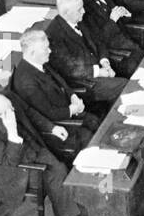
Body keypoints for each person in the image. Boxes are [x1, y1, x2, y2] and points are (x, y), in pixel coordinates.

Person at [0, 92, 88, 216]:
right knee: (58, 174)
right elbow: (9, 162)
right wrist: (12, 133)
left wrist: (52, 127)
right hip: (17, 168)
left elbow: (30, 112)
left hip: (34, 147)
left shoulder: (7, 99)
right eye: (9, 110)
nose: (13, 109)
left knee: (63, 166)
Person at [11, 28, 98, 161]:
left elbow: (60, 81)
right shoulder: (26, 82)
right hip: (60, 124)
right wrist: (72, 109)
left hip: (68, 109)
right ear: (32, 53)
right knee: (91, 136)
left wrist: (72, 96)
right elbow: (48, 113)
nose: (50, 51)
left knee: (96, 122)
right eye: (45, 49)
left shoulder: (39, 62)